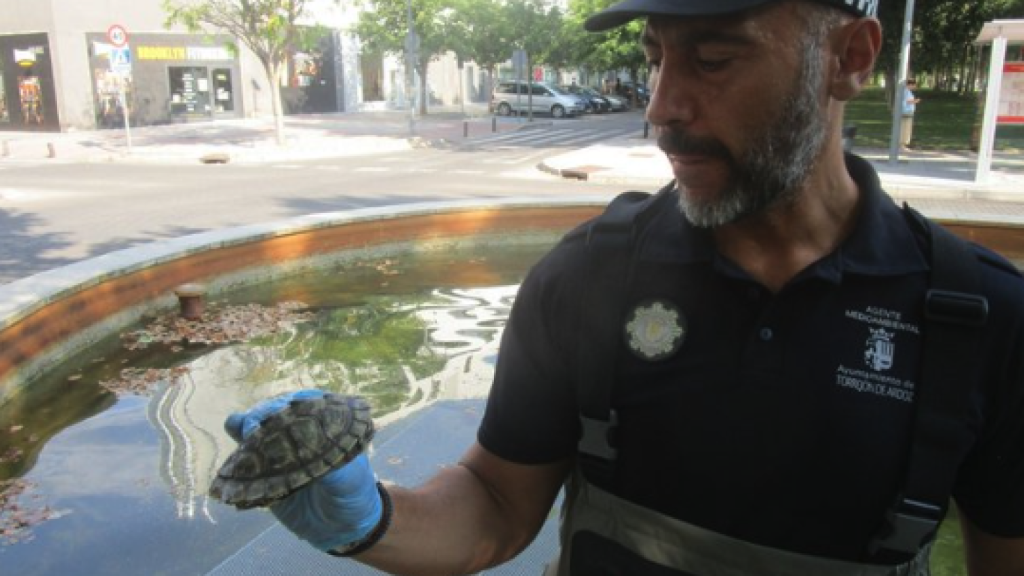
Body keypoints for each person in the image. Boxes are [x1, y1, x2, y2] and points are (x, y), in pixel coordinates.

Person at [225, 1, 1024, 575]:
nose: (660, 108)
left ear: (849, 56)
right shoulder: (587, 275)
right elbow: (495, 509)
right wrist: (370, 521)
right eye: (655, 57)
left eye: (713, 60)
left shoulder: (984, 322)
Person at [901, 78, 921, 149]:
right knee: (905, 128)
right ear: (910, 85)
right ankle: (903, 144)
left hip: (908, 112)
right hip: (906, 112)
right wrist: (916, 101)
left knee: (907, 128)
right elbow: (907, 101)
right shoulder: (906, 91)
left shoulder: (907, 91)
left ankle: (904, 144)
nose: (915, 87)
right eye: (914, 85)